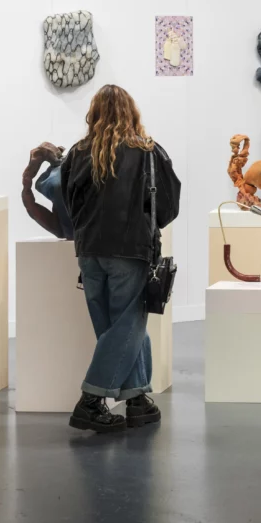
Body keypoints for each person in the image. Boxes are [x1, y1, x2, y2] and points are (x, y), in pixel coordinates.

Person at [61, 84, 181, 433]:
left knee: (114, 330)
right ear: (132, 113)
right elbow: (169, 206)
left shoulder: (77, 153)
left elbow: (69, 206)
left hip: (89, 252)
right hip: (130, 251)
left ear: (94, 113)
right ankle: (90, 401)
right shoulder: (147, 151)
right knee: (128, 327)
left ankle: (138, 400)